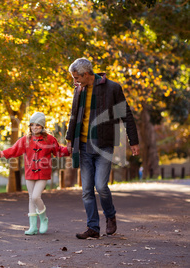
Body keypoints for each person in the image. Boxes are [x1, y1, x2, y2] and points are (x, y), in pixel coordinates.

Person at [65, 58, 140, 239]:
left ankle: (110, 216)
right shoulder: (78, 90)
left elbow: (126, 114)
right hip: (83, 145)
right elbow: (74, 115)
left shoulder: (112, 88)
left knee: (101, 186)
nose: (75, 81)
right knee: (86, 190)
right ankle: (93, 228)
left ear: (86, 74)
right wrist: (69, 139)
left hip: (103, 145)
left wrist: (133, 140)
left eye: (77, 77)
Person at [0, 112, 69, 235]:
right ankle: (33, 226)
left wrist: (68, 149)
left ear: (42, 126)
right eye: (32, 125)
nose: (34, 127)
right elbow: (14, 150)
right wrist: (2, 153)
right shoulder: (25, 139)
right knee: (31, 198)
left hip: (43, 172)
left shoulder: (50, 139)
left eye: (37, 125)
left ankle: (43, 219)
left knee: (36, 196)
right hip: (29, 173)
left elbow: (58, 151)